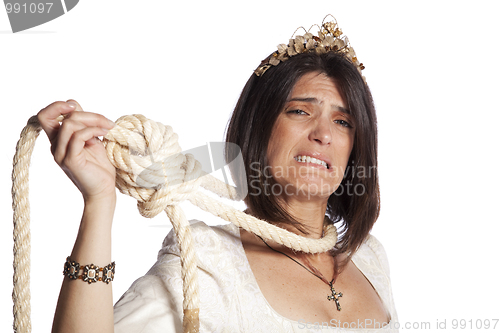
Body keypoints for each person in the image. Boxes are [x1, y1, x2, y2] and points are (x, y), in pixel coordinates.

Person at [38, 17, 398, 332]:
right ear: (258, 128)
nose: (324, 134)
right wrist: (99, 201)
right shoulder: (207, 260)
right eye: (300, 111)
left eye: (343, 121)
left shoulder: (369, 256)